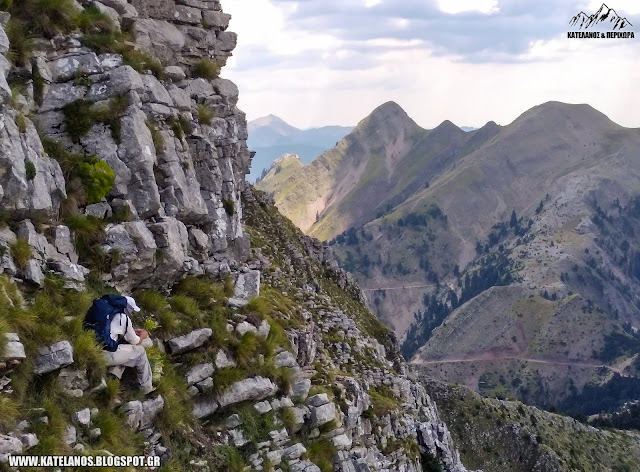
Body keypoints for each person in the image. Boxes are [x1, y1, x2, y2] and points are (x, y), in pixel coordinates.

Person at [85, 295, 154, 394]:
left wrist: (129, 331)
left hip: (90, 349)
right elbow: (135, 341)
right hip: (103, 356)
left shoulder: (105, 311)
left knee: (123, 346)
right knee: (140, 352)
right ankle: (146, 388)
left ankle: (114, 375)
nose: (132, 313)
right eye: (132, 310)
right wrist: (143, 335)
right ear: (127, 308)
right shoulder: (123, 317)